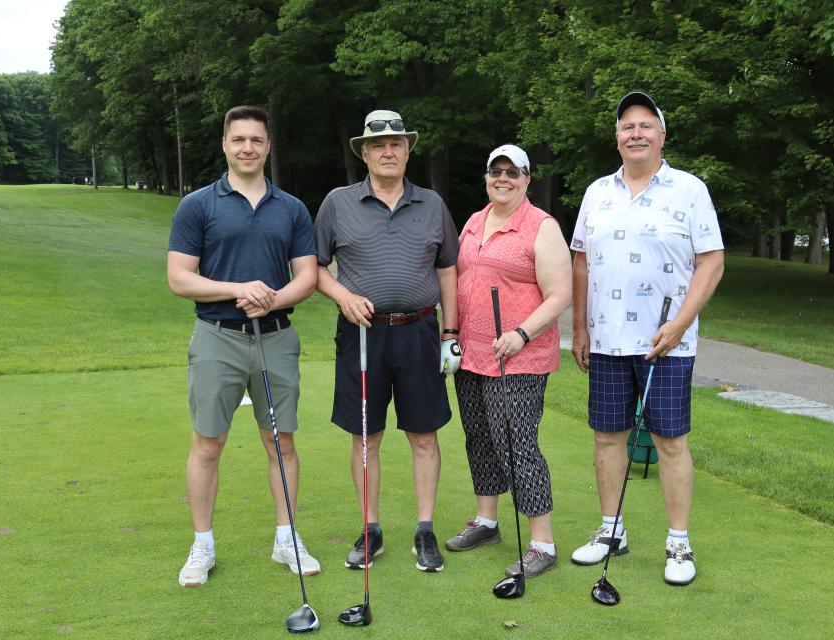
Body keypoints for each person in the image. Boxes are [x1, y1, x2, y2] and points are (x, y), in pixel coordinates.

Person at [569, 92, 725, 586]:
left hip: (667, 342)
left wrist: (680, 322)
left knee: (670, 442)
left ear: (662, 135)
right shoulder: (597, 192)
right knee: (607, 437)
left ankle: (678, 543)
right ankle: (612, 530)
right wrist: (579, 325)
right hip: (608, 340)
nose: (635, 133)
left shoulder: (689, 189)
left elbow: (711, 261)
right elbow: (579, 259)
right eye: (626, 126)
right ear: (617, 137)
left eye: (645, 125)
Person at [167, 105, 320, 587]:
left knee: (281, 442)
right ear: (225, 145)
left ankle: (286, 537)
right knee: (208, 443)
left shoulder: (292, 208)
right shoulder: (198, 204)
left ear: (268, 146)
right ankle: (202, 544)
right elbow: (179, 278)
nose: (247, 148)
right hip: (217, 338)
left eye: (256, 140)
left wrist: (272, 298)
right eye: (238, 140)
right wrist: (238, 289)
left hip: (275, 339)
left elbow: (308, 277)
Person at [315, 109, 460, 573]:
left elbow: (448, 270)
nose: (388, 151)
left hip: (419, 331)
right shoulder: (337, 203)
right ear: (364, 152)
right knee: (365, 436)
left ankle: (424, 529)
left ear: (408, 149)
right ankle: (371, 529)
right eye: (378, 145)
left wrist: (450, 333)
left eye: (396, 143)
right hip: (361, 335)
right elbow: (316, 267)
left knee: (423, 434)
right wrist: (341, 295)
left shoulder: (432, 204)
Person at [445, 145, 572, 579]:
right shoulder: (474, 222)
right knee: (478, 436)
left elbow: (560, 294)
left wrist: (521, 333)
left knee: (516, 444)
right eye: (495, 171)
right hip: (472, 352)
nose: (503, 178)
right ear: (486, 177)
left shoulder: (542, 226)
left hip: (520, 355)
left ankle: (542, 542)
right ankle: (486, 521)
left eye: (512, 172)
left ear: (527, 179)